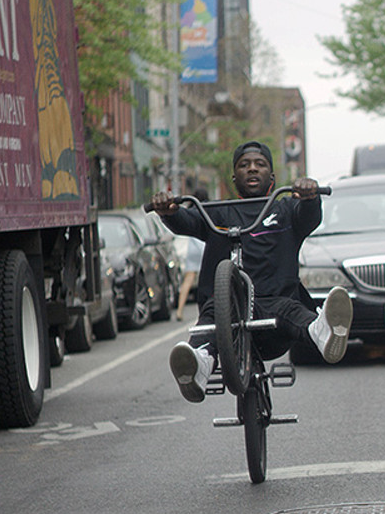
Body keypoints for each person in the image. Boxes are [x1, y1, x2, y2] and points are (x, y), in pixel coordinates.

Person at [148, 140, 352, 403]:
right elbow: (187, 221)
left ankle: (324, 332)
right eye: (244, 165)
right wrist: (169, 211)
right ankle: (198, 368)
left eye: (260, 164)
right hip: (225, 314)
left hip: (276, 309)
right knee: (206, 325)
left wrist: (310, 197)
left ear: (272, 175)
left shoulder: (286, 207)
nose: (252, 169)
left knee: (293, 311)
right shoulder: (218, 213)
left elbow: (309, 217)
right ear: (235, 177)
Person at [174, 187, 208, 322]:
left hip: (193, 248)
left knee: (188, 280)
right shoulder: (208, 209)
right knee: (211, 277)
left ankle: (179, 310)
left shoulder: (190, 210)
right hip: (205, 246)